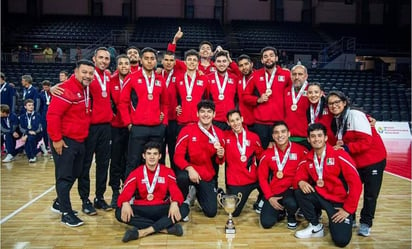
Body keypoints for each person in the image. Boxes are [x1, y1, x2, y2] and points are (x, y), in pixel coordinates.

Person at [326, 91, 387, 237]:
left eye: (337, 102)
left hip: (373, 160)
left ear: (344, 102)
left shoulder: (355, 115)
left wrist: (346, 147)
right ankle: (350, 216)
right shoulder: (338, 119)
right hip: (356, 162)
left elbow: (366, 142)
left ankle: (366, 223)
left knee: (370, 195)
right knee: (351, 190)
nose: (334, 106)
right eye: (330, 103)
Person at [294, 123, 362, 247]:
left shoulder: (339, 155)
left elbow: (356, 183)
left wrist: (348, 209)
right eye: (313, 136)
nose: (316, 139)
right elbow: (298, 175)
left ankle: (345, 219)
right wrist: (300, 181)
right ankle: (315, 226)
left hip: (339, 203)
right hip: (321, 197)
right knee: (299, 191)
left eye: (319, 135)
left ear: (326, 138)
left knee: (341, 241)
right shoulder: (308, 157)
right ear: (308, 140)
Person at [47, 59, 94, 227]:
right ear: (75, 72)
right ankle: (66, 214)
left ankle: (59, 203)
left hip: (79, 140)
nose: (87, 76)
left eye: (90, 73)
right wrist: (57, 139)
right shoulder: (66, 89)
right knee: (64, 177)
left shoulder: (84, 88)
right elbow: (53, 116)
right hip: (65, 141)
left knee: (76, 172)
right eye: (84, 72)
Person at [115, 142, 189, 243]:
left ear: (160, 156)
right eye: (149, 153)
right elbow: (125, 192)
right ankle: (165, 229)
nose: (152, 157)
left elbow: (175, 190)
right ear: (143, 156)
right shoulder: (136, 172)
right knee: (119, 212)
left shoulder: (168, 172)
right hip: (143, 209)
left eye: (155, 154)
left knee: (184, 208)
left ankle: (143, 232)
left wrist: (175, 202)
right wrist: (125, 202)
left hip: (161, 208)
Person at [119, 47, 168, 177]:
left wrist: (164, 123)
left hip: (157, 128)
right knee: (133, 161)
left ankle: (158, 192)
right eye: (146, 58)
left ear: (156, 61)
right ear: (141, 60)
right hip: (138, 127)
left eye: (152, 59)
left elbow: (165, 103)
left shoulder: (160, 79)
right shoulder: (131, 78)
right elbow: (122, 103)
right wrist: (128, 123)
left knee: (158, 162)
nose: (150, 61)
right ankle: (129, 194)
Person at [174, 100, 225, 218]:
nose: (205, 114)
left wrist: (221, 156)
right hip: (188, 172)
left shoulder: (219, 134)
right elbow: (177, 156)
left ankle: (196, 192)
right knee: (182, 177)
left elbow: (220, 162)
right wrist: (189, 168)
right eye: (202, 112)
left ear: (214, 114)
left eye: (209, 112)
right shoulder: (187, 130)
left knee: (211, 212)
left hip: (206, 175)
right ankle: (185, 196)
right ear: (197, 114)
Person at [78, 47, 113, 215]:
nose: (104, 61)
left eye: (107, 58)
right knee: (85, 165)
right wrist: (55, 87)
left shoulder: (108, 75)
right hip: (90, 127)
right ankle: (85, 199)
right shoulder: (88, 76)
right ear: (94, 58)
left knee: (103, 164)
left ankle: (99, 197)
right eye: (101, 58)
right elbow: (70, 84)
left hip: (106, 126)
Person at [258, 121, 307, 229]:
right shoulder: (266, 154)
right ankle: (281, 211)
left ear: (289, 133)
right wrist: (269, 197)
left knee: (291, 203)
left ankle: (291, 215)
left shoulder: (301, 151)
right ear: (273, 136)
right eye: (276, 132)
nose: (280, 135)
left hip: (292, 190)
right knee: (266, 223)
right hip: (275, 191)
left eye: (283, 132)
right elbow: (262, 178)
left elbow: (307, 172)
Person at [243, 46, 292, 149]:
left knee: (279, 154)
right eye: (265, 56)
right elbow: (245, 96)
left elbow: (296, 90)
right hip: (260, 124)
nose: (268, 58)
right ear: (262, 60)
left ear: (276, 58)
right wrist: (258, 100)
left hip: (279, 123)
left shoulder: (286, 74)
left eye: (271, 56)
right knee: (261, 154)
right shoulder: (255, 75)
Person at [224, 110, 263, 217]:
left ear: (242, 119)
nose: (235, 123)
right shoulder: (225, 137)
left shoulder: (254, 137)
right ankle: (222, 194)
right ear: (228, 123)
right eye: (232, 121)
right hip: (236, 181)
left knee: (269, 182)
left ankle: (262, 200)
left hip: (253, 178)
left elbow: (261, 157)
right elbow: (220, 160)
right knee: (234, 213)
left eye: (237, 119)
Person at [109, 54, 131, 208]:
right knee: (116, 160)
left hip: (131, 126)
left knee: (130, 160)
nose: (124, 66)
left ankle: (129, 190)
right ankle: (115, 191)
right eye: (121, 63)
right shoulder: (111, 80)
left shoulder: (136, 79)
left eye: (126, 63)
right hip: (116, 126)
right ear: (117, 66)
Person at [173, 49, 209, 131]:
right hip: (182, 120)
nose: (192, 62)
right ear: (185, 62)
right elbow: (175, 97)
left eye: (194, 60)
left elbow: (207, 97)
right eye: (189, 59)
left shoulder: (204, 79)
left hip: (199, 121)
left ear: (198, 63)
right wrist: (176, 107)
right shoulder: (178, 78)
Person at [206, 51, 238, 131]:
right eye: (219, 61)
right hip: (214, 120)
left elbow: (241, 73)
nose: (221, 64)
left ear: (228, 63)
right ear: (214, 63)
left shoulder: (235, 78)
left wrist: (232, 62)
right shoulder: (208, 78)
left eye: (224, 61)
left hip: (231, 120)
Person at [284, 65, 310, 149]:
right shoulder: (285, 91)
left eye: (300, 74)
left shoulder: (312, 91)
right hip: (287, 137)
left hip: (306, 138)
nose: (297, 77)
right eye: (294, 74)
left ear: (306, 76)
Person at [19, 99, 42, 163]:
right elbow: (21, 128)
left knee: (30, 138)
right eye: (29, 105)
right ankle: (34, 153)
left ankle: (33, 156)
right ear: (25, 107)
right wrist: (27, 133)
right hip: (27, 134)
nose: (31, 106)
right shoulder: (22, 117)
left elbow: (38, 127)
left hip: (37, 134)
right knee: (28, 141)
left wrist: (28, 134)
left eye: (32, 105)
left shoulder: (38, 115)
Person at [236, 54, 255, 129]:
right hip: (242, 119)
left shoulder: (258, 76)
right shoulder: (238, 78)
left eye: (246, 64)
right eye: (241, 65)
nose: (244, 67)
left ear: (251, 64)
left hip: (256, 120)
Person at [39, 80, 52, 155]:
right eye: (44, 87)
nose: (45, 88)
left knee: (50, 130)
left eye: (47, 87)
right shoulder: (41, 94)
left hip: (51, 113)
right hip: (43, 114)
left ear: (50, 86)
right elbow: (39, 104)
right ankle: (46, 145)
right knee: (44, 130)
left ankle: (51, 146)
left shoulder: (53, 92)